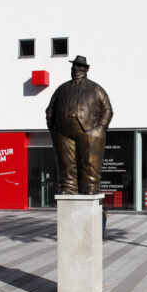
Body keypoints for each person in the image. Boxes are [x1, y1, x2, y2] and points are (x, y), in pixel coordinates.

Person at [46, 55, 113, 195]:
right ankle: (68, 187)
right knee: (66, 163)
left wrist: (100, 128)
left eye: (80, 66)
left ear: (86, 69)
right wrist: (53, 129)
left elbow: (108, 109)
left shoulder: (96, 89)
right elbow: (50, 109)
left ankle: (90, 187)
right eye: (74, 66)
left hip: (89, 131)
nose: (76, 68)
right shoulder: (62, 89)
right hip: (63, 133)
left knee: (89, 163)